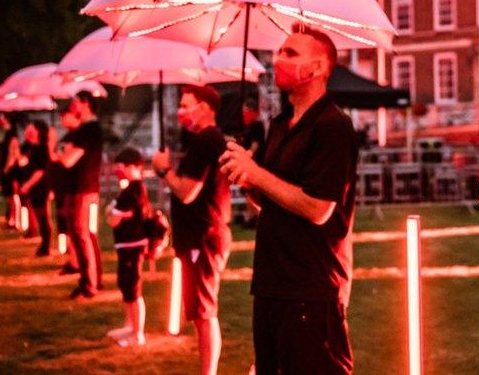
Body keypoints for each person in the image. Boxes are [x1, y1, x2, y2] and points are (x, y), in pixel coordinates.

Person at [220, 26, 358, 375]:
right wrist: (246, 179)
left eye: (290, 53)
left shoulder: (332, 126)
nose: (278, 59)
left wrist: (256, 173)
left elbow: (318, 208)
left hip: (310, 287)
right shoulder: (280, 124)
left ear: (319, 66)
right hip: (270, 282)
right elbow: (272, 200)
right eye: (279, 52)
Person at [152, 85, 230, 375]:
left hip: (203, 236)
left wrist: (164, 171)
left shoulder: (206, 141)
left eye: (187, 106)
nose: (180, 112)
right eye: (180, 106)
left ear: (206, 107)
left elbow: (187, 191)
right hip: (199, 235)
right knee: (200, 313)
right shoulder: (202, 141)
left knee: (204, 313)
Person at [57, 91, 104, 299]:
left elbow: (68, 160)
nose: (72, 106)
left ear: (85, 104)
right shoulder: (85, 130)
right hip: (79, 188)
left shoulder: (90, 129)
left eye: (75, 102)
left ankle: (90, 283)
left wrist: (56, 149)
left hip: (83, 189)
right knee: (81, 235)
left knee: (82, 235)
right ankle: (91, 280)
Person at [106, 147, 150, 348]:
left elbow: (113, 220)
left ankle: (137, 333)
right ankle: (130, 325)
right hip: (126, 245)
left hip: (133, 246)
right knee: (126, 285)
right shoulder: (132, 189)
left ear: (134, 167)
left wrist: (113, 214)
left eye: (122, 167)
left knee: (133, 288)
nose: (119, 170)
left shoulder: (132, 191)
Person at [51, 106, 80, 274]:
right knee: (67, 223)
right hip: (64, 186)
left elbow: (65, 160)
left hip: (76, 187)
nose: (62, 120)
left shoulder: (78, 137)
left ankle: (76, 261)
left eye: (65, 116)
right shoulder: (67, 137)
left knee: (76, 228)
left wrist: (59, 151)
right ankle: (72, 258)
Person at [18, 121, 51, 255]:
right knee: (40, 215)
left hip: (41, 187)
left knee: (43, 216)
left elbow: (40, 171)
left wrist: (28, 184)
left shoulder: (42, 148)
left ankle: (45, 245)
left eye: (32, 129)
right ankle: (44, 244)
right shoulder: (33, 147)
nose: (28, 131)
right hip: (35, 187)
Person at [0, 114, 21, 228]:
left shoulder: (12, 134)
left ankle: (14, 220)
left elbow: (13, 152)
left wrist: (7, 167)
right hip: (7, 169)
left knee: (13, 196)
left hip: (11, 171)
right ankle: (11, 219)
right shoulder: (7, 134)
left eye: (1, 118)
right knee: (9, 196)